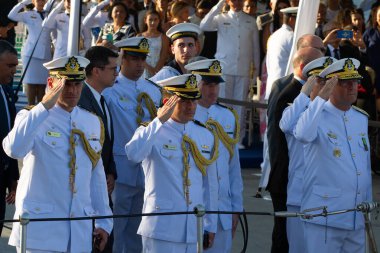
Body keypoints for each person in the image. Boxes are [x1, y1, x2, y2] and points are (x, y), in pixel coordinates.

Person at [3, 55, 113, 252]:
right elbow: (14, 149)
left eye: (77, 84)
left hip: (78, 233)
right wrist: (43, 105)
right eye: (65, 84)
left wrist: (103, 222)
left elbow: (95, 175)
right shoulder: (31, 116)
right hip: (40, 232)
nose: (72, 90)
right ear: (51, 83)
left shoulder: (92, 122)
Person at [125, 73, 218, 253]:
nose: (190, 106)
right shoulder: (152, 131)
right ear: (168, 101)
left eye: (193, 100)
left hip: (193, 227)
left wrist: (210, 224)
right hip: (161, 227)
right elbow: (133, 154)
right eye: (183, 101)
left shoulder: (205, 134)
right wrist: (158, 120)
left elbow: (210, 185)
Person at [294, 58, 372, 253]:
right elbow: (302, 134)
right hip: (325, 217)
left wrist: (367, 209)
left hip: (355, 215)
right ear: (331, 86)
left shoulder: (360, 118)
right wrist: (319, 98)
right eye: (345, 82)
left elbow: (363, 165)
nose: (353, 87)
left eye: (355, 81)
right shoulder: (315, 115)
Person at [102, 37, 161, 253]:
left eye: (143, 59)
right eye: (134, 58)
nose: (139, 64)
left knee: (138, 232)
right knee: (114, 229)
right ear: (123, 58)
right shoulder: (110, 90)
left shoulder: (155, 91)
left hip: (146, 172)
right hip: (120, 170)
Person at [267, 46, 323, 253]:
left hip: (306, 180)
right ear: (303, 67)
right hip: (288, 177)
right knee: (286, 239)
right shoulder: (288, 92)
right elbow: (279, 135)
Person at [279, 56, 336, 253]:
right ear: (311, 83)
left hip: (326, 197)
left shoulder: (334, 114)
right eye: (321, 82)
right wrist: (303, 95)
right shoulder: (296, 111)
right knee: (298, 248)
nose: (325, 87)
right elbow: (285, 125)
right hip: (299, 195)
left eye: (329, 82)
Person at [185, 58, 243, 253]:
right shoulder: (186, 118)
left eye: (216, 85)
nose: (213, 90)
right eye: (208, 84)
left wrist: (236, 207)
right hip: (196, 211)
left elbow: (233, 166)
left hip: (224, 211)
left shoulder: (227, 116)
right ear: (194, 83)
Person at [200, 0, 260, 147]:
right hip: (225, 68)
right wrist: (220, 4)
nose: (237, 2)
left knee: (240, 106)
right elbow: (204, 26)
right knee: (223, 104)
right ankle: (221, 136)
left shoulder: (251, 21)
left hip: (243, 68)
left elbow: (255, 47)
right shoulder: (221, 18)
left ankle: (237, 140)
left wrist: (256, 70)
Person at [8, 0, 52, 106]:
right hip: (31, 53)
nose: (40, 2)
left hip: (45, 54)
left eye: (43, 0)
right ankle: (30, 108)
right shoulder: (29, 14)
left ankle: (39, 110)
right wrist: (24, 2)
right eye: (38, 0)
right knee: (31, 83)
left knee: (42, 85)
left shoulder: (50, 15)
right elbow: (12, 15)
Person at [0, 41, 19, 236]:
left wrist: (13, 176)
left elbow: (11, 135)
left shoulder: (6, 91)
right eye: (10, 66)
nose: (14, 71)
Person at [265, 6, 298, 100]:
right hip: (285, 87)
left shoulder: (274, 35)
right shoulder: (292, 37)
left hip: (273, 84)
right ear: (291, 19)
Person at [138, 9, 169, 78]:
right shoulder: (139, 36)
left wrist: (155, 70)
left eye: (155, 20)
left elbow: (163, 56)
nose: (153, 22)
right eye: (150, 20)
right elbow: (138, 55)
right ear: (145, 20)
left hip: (158, 70)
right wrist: (149, 68)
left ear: (159, 21)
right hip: (142, 69)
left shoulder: (163, 37)